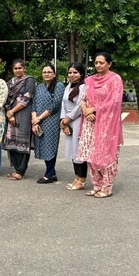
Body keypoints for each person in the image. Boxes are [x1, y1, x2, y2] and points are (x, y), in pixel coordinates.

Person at [77, 52, 124, 198]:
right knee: (90, 154)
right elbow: (83, 99)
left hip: (106, 124)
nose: (98, 65)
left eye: (101, 63)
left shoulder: (115, 79)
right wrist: (86, 111)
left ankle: (107, 186)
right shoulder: (90, 80)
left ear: (109, 64)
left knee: (106, 154)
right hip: (89, 123)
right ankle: (97, 185)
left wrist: (95, 109)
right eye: (96, 62)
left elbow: (115, 101)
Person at [31, 64, 65, 183]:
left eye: (49, 72)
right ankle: (50, 172)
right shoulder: (39, 87)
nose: (46, 74)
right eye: (44, 72)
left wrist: (39, 118)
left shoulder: (59, 86)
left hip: (51, 121)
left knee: (50, 146)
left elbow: (54, 105)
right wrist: (35, 121)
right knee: (43, 146)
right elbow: (34, 104)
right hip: (39, 121)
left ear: (54, 74)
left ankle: (50, 173)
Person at [3, 59, 36, 180]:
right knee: (12, 142)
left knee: (23, 142)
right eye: (15, 68)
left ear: (24, 68)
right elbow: (5, 98)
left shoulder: (29, 81)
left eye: (20, 68)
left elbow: (26, 99)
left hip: (24, 114)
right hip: (10, 115)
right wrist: (9, 114)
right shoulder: (10, 82)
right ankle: (16, 168)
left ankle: (21, 171)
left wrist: (12, 112)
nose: (18, 70)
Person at [61, 62, 88, 190]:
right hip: (68, 122)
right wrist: (63, 123)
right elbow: (63, 104)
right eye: (70, 72)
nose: (72, 75)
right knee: (72, 150)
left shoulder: (84, 87)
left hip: (78, 121)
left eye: (75, 72)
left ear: (81, 73)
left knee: (79, 150)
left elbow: (80, 106)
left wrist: (68, 118)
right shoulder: (68, 87)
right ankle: (76, 177)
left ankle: (82, 179)